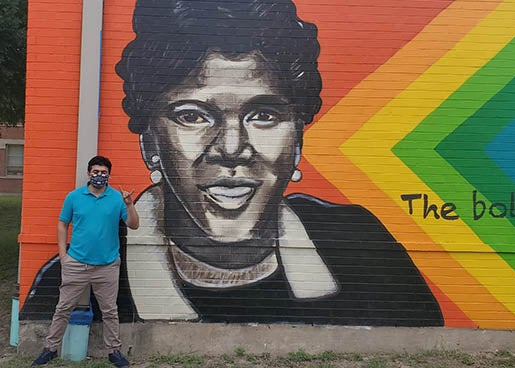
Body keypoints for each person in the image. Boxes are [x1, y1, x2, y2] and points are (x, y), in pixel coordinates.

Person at [23, 0, 443, 328]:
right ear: (150, 142)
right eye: (192, 115)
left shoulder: (361, 248)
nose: (231, 148)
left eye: (263, 115)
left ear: (297, 142)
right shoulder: (80, 275)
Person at [31, 156, 139, 367]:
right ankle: (50, 349)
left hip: (107, 265)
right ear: (89, 173)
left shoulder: (117, 199)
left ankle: (114, 351)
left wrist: (130, 205)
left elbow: (134, 225)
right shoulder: (74, 197)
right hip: (77, 263)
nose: (99, 175)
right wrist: (63, 255)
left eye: (103, 172)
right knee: (63, 308)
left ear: (109, 175)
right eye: (95, 171)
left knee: (109, 311)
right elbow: (62, 224)